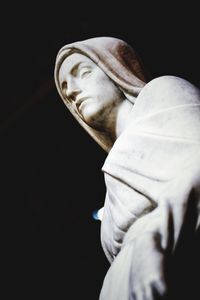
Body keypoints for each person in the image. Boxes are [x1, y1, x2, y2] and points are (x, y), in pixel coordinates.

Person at [54, 37, 200, 300]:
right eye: (66, 91)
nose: (73, 91)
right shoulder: (110, 190)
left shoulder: (164, 95)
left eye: (83, 72)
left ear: (114, 68)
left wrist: (150, 237)